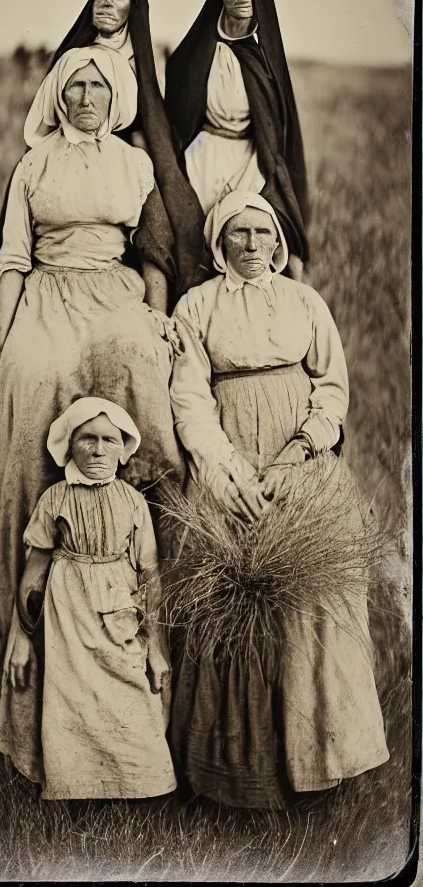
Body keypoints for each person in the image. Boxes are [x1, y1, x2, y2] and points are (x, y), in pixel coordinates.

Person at [167, 189, 389, 808]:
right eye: (240, 235)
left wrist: (300, 454)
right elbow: (190, 401)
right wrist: (225, 473)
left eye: (264, 235)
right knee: (226, 589)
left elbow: (332, 388)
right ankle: (232, 770)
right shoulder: (196, 308)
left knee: (318, 589)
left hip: (300, 463)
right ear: (219, 245)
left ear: (279, 242)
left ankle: (317, 758)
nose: (254, 246)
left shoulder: (305, 302)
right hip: (229, 467)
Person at [0, 46, 184, 641]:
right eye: (76, 88)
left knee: (140, 362)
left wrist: (158, 317)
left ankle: (156, 543)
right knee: (31, 373)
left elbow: (154, 253)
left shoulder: (134, 164)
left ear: (115, 97)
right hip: (47, 292)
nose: (87, 98)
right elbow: (13, 261)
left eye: (98, 87)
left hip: (114, 292)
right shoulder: (34, 166)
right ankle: (29, 592)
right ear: (58, 97)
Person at [0, 0, 206, 297]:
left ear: (132, 9)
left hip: (128, 154)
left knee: (157, 226)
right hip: (71, 147)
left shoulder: (144, 60)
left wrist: (139, 158)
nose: (107, 2)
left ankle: (158, 316)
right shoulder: (76, 54)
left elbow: (152, 119)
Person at [0, 398, 177, 800]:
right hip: (69, 618)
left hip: (119, 611)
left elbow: (149, 575)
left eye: (109, 440)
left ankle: (138, 789)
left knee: (132, 696)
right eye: (87, 440)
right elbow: (34, 579)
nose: (97, 450)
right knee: (71, 704)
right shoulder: (55, 499)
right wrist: (23, 640)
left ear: (123, 447)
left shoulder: (132, 501)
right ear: (69, 446)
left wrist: (157, 649)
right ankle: (77, 793)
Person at [164, 0, 309, 280]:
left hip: (251, 161)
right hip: (202, 157)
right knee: (188, 243)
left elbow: (277, 132)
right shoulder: (195, 55)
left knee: (263, 243)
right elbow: (177, 119)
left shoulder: (263, 61)